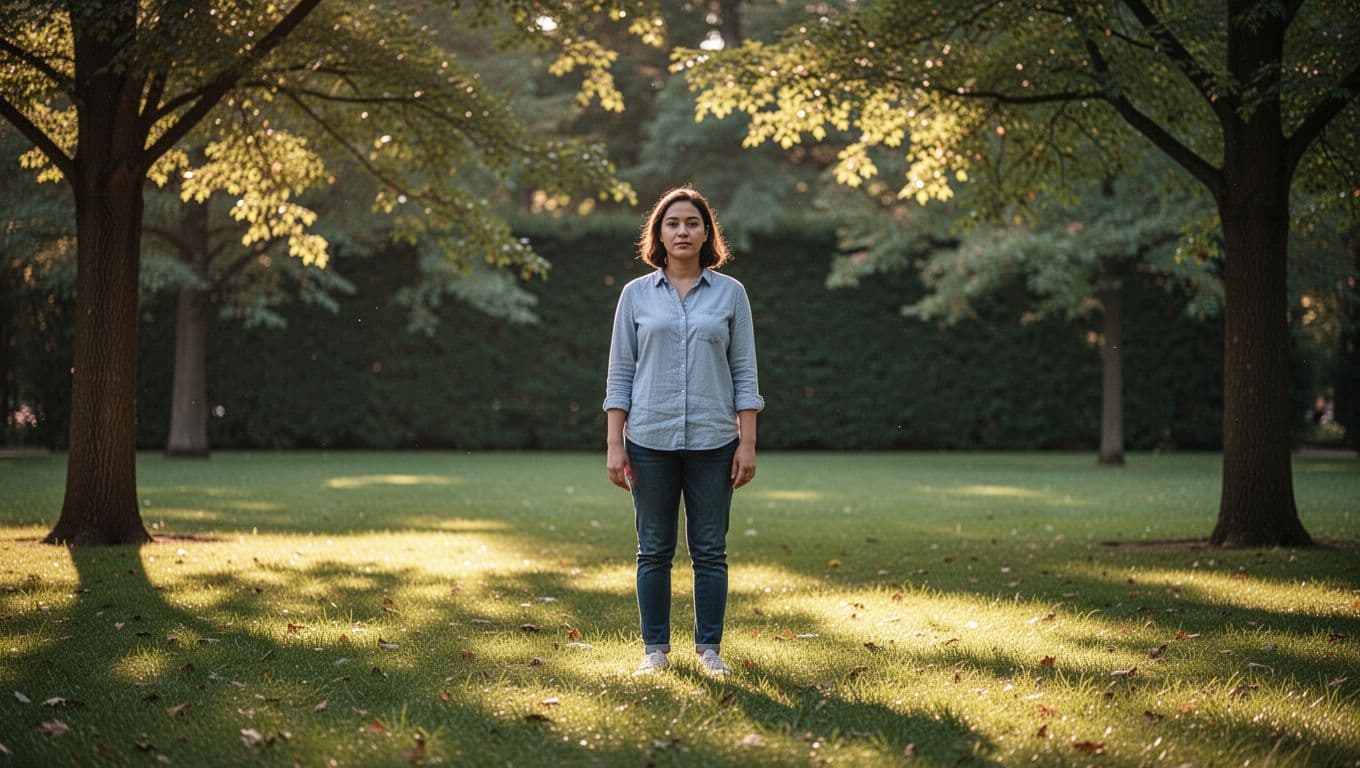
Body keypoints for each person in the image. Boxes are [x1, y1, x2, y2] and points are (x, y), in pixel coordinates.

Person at [603, 186, 764, 677]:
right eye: (672, 223)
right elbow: (619, 374)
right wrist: (615, 443)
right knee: (653, 549)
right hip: (648, 440)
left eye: (692, 223)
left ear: (706, 232)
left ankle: (708, 650)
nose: (682, 231)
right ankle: (655, 651)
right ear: (658, 232)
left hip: (716, 442)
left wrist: (748, 444)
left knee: (710, 551)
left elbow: (745, 373)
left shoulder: (732, 294)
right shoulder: (634, 296)